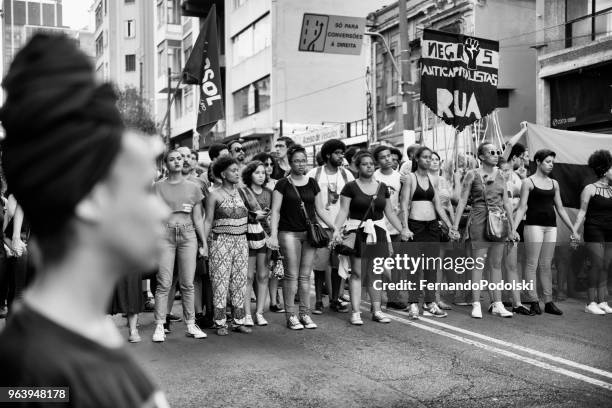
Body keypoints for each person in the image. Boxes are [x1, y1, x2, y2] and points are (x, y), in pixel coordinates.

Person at [0, 33, 170, 405]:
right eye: (144, 188)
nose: (162, 209)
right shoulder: (33, 372)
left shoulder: (76, 333)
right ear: (91, 199)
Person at [333, 151, 409, 325]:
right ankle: (356, 312)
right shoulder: (350, 187)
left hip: (378, 232)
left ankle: (377, 310)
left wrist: (403, 229)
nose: (368, 166)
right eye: (364, 164)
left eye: (370, 163)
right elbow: (343, 211)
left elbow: (389, 212)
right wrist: (336, 230)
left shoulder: (382, 187)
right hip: (357, 231)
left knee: (376, 273)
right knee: (358, 273)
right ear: (358, 167)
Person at [268, 144, 336, 330]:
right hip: (288, 233)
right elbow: (275, 211)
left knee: (306, 276)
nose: (300, 164)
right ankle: (291, 316)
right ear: (290, 163)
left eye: (303, 160)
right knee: (291, 275)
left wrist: (334, 227)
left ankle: (305, 314)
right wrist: (273, 235)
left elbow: (320, 209)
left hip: (309, 233)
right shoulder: (282, 184)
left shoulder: (312, 182)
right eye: (296, 161)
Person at [452, 142, 519, 319]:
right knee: (479, 264)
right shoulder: (471, 175)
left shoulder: (502, 176)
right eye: (492, 152)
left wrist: (513, 228)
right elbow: (462, 201)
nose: (496, 154)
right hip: (479, 219)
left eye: (497, 152)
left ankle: (497, 303)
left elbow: (506, 203)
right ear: (481, 157)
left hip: (498, 221)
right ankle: (476, 303)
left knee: (496, 264)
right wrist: (454, 226)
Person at [512, 149, 578, 316]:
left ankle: (548, 302)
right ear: (538, 162)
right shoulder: (528, 182)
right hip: (533, 225)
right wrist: (513, 229)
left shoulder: (554, 183)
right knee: (532, 264)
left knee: (546, 264)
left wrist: (573, 229)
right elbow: (522, 207)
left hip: (551, 226)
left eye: (552, 162)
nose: (551, 165)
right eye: (548, 162)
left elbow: (560, 209)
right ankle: (534, 301)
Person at [152, 150, 207, 342]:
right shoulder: (157, 187)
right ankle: (159, 325)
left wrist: (204, 243)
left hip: (188, 234)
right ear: (166, 164)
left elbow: (198, 218)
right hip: (165, 235)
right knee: (164, 282)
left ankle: (191, 324)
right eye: (172, 159)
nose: (177, 161)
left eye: (179, 158)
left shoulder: (193, 187)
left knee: (187, 283)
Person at [401, 147, 455, 319]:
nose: (428, 161)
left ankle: (430, 302)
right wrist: (404, 227)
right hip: (415, 226)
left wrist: (450, 225)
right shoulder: (410, 178)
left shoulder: (433, 179)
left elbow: (438, 205)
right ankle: (413, 303)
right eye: (424, 157)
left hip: (432, 227)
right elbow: (404, 205)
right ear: (416, 159)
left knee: (431, 266)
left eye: (430, 158)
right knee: (414, 267)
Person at [202, 156, 251, 335]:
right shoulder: (214, 194)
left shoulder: (243, 192)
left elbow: (251, 213)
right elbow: (207, 221)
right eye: (233, 170)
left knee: (239, 281)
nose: (237, 173)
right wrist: (204, 245)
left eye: (237, 170)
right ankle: (220, 322)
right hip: (220, 240)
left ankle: (238, 321)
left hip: (241, 240)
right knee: (220, 282)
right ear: (223, 174)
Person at [306, 139, 353, 315]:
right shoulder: (314, 173)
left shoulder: (347, 175)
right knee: (319, 265)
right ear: (328, 155)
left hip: (342, 228)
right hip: (321, 227)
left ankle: (335, 299)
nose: (341, 156)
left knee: (337, 264)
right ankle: (318, 301)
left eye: (342, 153)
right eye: (338, 153)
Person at [572, 150, 612, 315]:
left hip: (610, 231)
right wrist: (574, 231)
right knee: (596, 264)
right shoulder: (590, 188)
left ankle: (602, 301)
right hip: (594, 229)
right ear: (604, 170)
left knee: (605, 265)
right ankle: (590, 302)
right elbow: (582, 212)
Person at [498, 158, 534, 316]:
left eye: (507, 170)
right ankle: (497, 301)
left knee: (512, 266)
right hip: (494, 230)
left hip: (510, 228)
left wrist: (512, 224)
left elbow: (523, 204)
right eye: (502, 170)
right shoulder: (490, 185)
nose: (505, 173)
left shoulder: (513, 186)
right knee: (495, 267)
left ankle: (517, 303)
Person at [372, 145, 405, 310]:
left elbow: (403, 203)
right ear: (377, 161)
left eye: (390, 156)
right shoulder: (373, 176)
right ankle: (376, 300)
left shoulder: (400, 177)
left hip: (394, 226)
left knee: (394, 264)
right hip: (376, 226)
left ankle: (393, 297)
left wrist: (402, 226)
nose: (388, 160)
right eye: (383, 157)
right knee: (379, 264)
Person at [241, 160, 272, 326]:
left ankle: (259, 312)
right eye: (257, 172)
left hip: (265, 238)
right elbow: (238, 214)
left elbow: (275, 216)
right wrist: (253, 216)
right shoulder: (242, 192)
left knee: (263, 275)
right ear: (250, 174)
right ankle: (246, 313)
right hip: (247, 237)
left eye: (263, 173)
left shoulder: (270, 193)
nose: (261, 175)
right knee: (248, 276)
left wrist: (274, 237)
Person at [252, 152, 283, 311]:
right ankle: (260, 303)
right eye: (265, 164)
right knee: (258, 270)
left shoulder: (278, 183)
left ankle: (274, 300)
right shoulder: (251, 187)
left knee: (273, 266)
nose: (269, 168)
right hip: (255, 231)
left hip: (273, 230)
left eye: (271, 164)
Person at [429, 151, 456, 311]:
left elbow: (449, 204)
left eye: (436, 159)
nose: (434, 162)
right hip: (429, 223)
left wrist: (452, 224)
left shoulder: (443, 180)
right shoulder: (422, 179)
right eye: (431, 159)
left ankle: (436, 297)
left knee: (439, 262)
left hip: (444, 223)